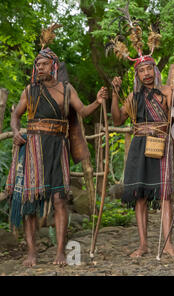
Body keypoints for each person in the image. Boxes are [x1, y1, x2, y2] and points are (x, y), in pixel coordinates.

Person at [6, 42, 108, 267]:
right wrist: (15, 132)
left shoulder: (67, 89)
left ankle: (60, 252)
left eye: (43, 64)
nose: (39, 68)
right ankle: (32, 253)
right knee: (29, 202)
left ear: (53, 65)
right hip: (32, 149)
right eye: (37, 64)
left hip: (57, 148)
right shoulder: (29, 90)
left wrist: (98, 102)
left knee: (60, 200)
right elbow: (16, 116)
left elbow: (81, 110)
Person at [111, 55, 174, 258]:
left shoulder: (168, 92)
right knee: (140, 196)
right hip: (139, 147)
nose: (146, 73)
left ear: (155, 71)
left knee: (165, 194)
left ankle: (168, 244)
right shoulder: (133, 97)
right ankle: (143, 244)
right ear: (137, 74)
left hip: (162, 145)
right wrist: (114, 93)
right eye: (141, 70)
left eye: (149, 69)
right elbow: (118, 120)